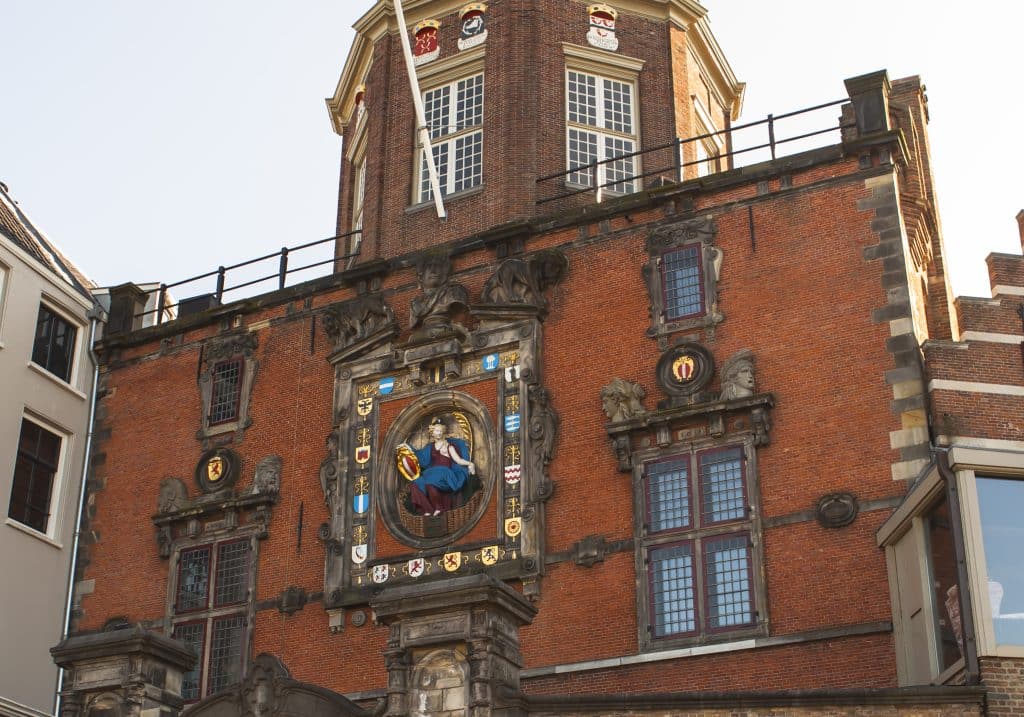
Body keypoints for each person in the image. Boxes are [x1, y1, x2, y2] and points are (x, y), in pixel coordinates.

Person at [399, 417, 476, 516]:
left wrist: (470, 464)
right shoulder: (430, 447)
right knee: (416, 483)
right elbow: (421, 458)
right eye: (436, 430)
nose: (439, 433)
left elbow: (458, 460)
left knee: (430, 482)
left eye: (440, 430)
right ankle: (427, 509)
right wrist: (409, 448)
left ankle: (439, 508)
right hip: (431, 473)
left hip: (444, 473)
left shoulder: (449, 446)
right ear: (432, 432)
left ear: (443, 431)